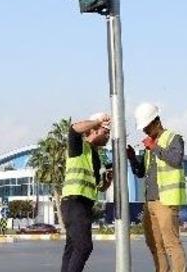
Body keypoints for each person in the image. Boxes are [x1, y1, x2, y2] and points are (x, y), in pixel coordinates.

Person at [127, 103, 187, 272]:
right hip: (150, 202)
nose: (145, 132)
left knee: (171, 243)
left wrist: (154, 147)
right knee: (154, 244)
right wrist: (132, 158)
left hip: (166, 201)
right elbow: (140, 173)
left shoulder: (173, 138)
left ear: (156, 122)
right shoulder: (149, 147)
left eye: (147, 128)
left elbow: (176, 160)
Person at [61, 113, 113, 272]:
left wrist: (108, 182)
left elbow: (98, 187)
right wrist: (98, 120)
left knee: (72, 249)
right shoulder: (78, 147)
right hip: (73, 202)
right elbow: (74, 129)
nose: (108, 137)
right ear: (93, 130)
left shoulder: (95, 156)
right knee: (84, 246)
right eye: (105, 132)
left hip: (84, 205)